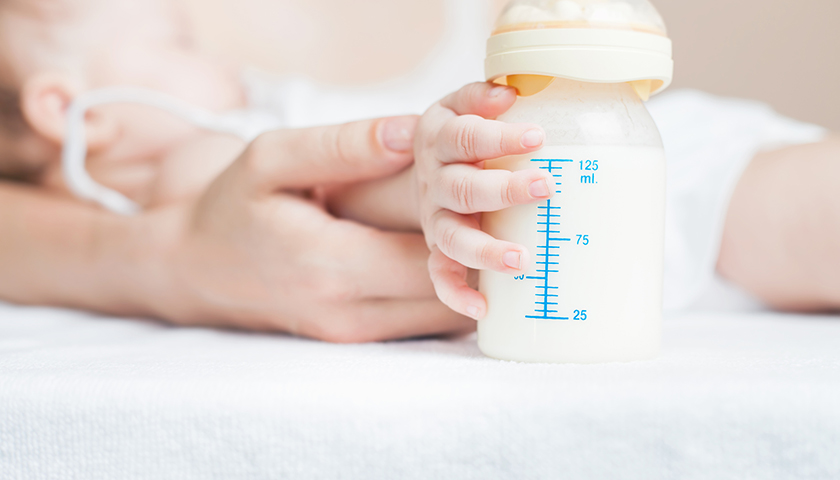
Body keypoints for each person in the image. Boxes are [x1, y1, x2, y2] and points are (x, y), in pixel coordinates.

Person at [0, 0, 836, 342]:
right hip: (650, 191)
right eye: (176, 44)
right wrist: (425, 181)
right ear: (74, 110)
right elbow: (333, 193)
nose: (213, 57)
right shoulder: (198, 162)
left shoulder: (207, 140)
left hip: (610, 161)